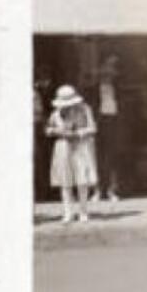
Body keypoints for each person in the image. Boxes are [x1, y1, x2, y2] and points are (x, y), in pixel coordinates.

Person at [46, 85, 98, 223]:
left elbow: (93, 128)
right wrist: (56, 131)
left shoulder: (84, 109)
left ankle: (83, 211)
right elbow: (48, 129)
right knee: (65, 181)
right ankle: (68, 212)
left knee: (82, 180)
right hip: (63, 145)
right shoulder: (56, 113)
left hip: (80, 145)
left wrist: (79, 133)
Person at [87, 55, 123, 201]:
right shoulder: (93, 90)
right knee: (96, 158)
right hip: (97, 125)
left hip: (113, 125)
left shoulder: (118, 90)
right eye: (105, 74)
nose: (107, 77)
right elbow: (89, 109)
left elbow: (122, 109)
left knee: (111, 159)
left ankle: (112, 190)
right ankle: (96, 190)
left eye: (110, 75)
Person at [33, 66, 55, 202]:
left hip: (41, 128)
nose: (47, 84)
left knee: (42, 158)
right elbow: (38, 112)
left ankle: (43, 191)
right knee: (38, 158)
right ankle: (40, 192)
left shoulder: (42, 94)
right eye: (45, 80)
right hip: (36, 127)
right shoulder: (34, 94)